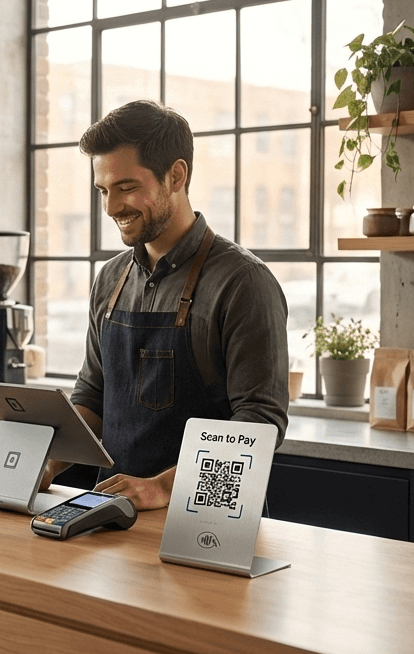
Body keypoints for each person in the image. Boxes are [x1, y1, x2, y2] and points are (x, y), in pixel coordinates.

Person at [40, 100, 289, 510]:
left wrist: (161, 488)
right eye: (103, 190)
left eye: (126, 187)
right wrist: (46, 464)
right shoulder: (111, 280)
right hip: (113, 510)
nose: (111, 207)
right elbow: (93, 395)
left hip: (211, 517)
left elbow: (259, 424)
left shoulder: (243, 282)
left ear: (176, 175)